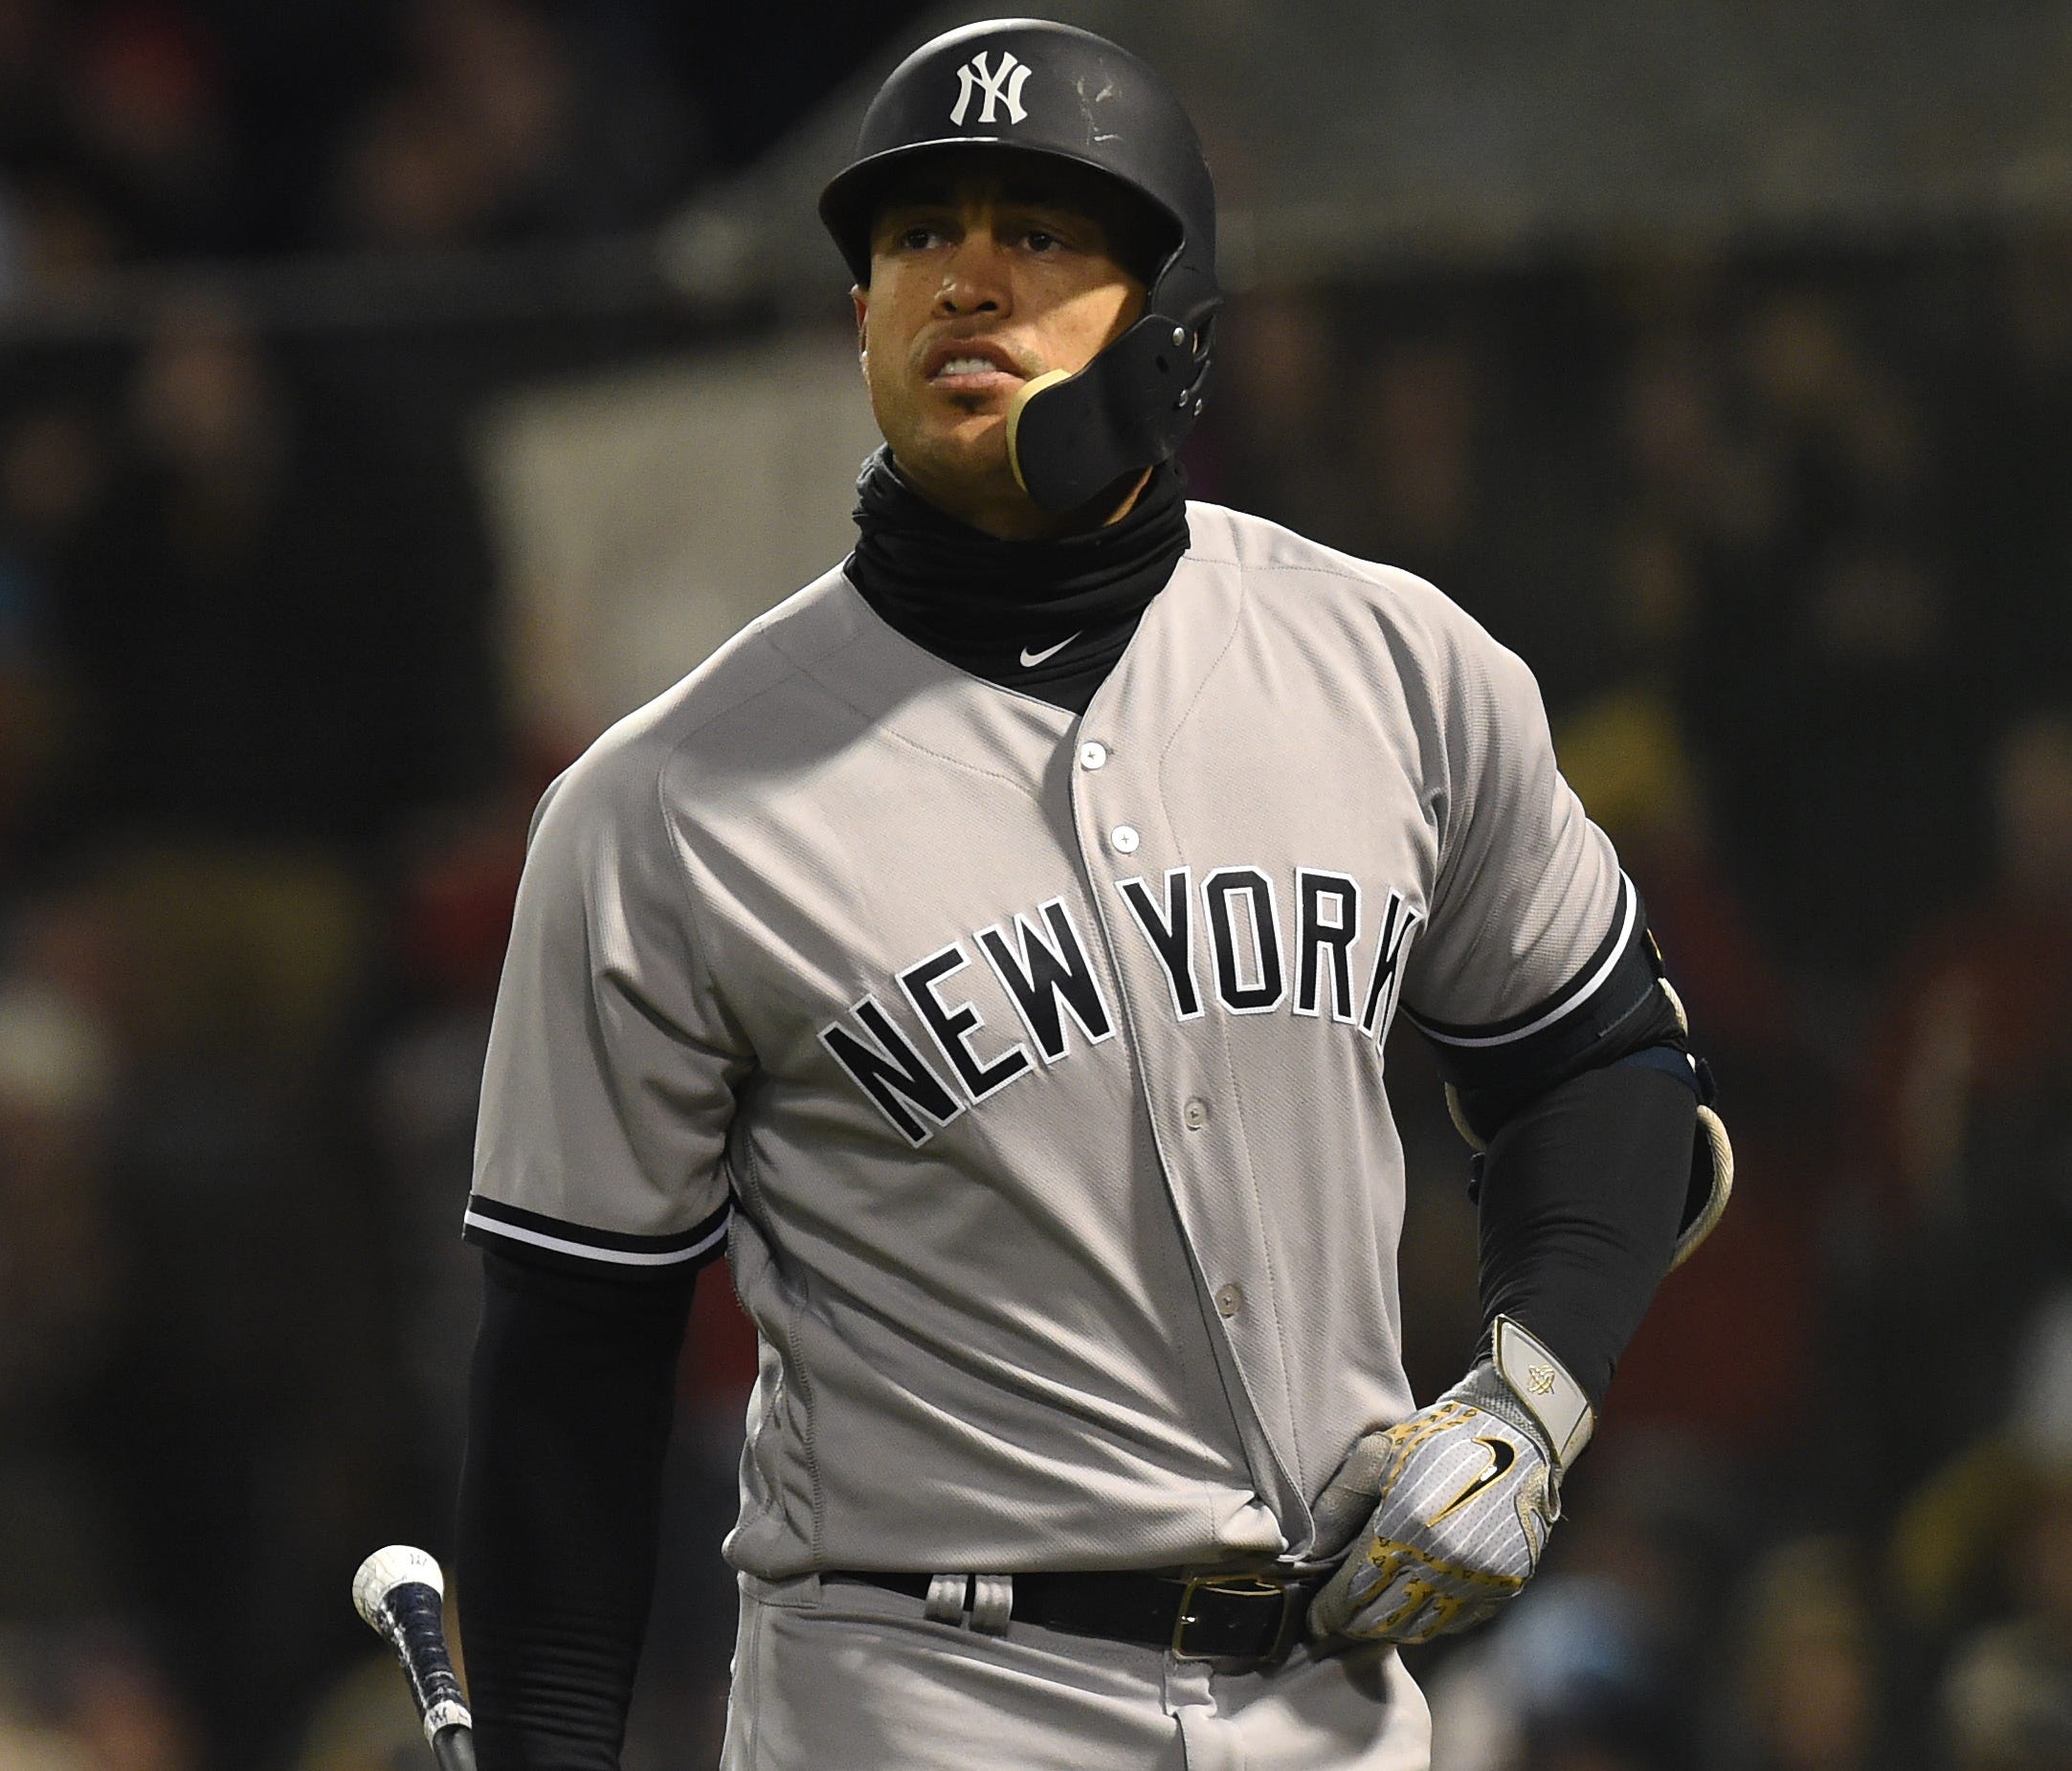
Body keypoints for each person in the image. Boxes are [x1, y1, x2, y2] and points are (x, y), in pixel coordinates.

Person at [454, 19, 1730, 1770]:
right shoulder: (660, 807)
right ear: (858, 315)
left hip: (1335, 1704)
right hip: (919, 1700)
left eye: (1041, 232)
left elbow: (1600, 1065)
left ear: (1174, 318)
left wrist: (1528, 1404)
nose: (965, 281)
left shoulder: (1393, 667)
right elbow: (570, 1370)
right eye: (916, 235)